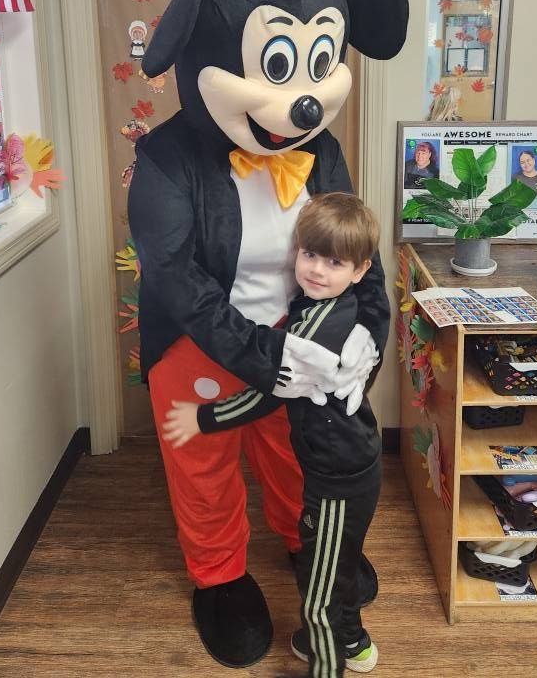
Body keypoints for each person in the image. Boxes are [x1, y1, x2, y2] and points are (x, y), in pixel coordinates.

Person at [162, 192, 383, 678]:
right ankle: (357, 643)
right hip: (351, 463)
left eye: (333, 262)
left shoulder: (311, 333)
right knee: (332, 564)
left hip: (334, 479)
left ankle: (329, 661)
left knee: (321, 591)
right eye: (308, 255)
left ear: (359, 269)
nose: (317, 270)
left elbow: (269, 393)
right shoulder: (326, 307)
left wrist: (203, 418)